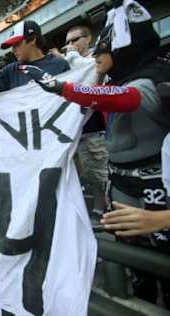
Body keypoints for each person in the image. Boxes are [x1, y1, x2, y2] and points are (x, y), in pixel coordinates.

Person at [21, 1, 170, 306]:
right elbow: (94, 105)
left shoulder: (154, 80)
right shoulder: (112, 80)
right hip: (120, 184)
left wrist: (60, 86)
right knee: (133, 268)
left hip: (158, 192)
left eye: (105, 47)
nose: (97, 55)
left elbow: (124, 99)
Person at [63, 23, 109, 218]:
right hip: (75, 132)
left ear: (88, 39)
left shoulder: (95, 60)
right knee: (88, 175)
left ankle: (110, 210)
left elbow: (91, 83)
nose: (71, 45)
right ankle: (100, 209)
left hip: (94, 129)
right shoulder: (70, 66)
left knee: (100, 174)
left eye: (75, 40)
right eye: (68, 42)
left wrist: (71, 56)